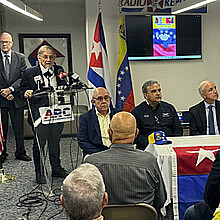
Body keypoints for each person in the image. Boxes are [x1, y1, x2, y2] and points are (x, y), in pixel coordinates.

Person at [85, 111, 167, 214]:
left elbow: (85, 203)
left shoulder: (91, 163)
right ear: (136, 133)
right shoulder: (149, 161)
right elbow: (161, 201)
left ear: (109, 133)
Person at [20, 45, 67, 184]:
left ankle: (56, 169)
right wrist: (26, 93)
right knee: (39, 144)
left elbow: (64, 84)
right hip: (39, 114)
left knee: (55, 141)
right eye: (45, 57)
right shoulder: (30, 72)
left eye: (51, 57)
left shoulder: (59, 70)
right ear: (39, 58)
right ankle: (39, 172)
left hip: (57, 112)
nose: (48, 59)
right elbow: (22, 90)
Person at [0, 32, 31, 162]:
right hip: (1, 99)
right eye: (2, 42)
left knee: (18, 128)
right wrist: (3, 92)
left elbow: (23, 77)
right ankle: (2, 153)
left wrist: (11, 90)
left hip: (16, 98)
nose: (5, 44)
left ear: (12, 43)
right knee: (3, 129)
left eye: (7, 42)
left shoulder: (20, 57)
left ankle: (20, 152)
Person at [131, 80, 182, 150]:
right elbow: (135, 134)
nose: (158, 93)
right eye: (153, 91)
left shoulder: (169, 108)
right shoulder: (137, 111)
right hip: (147, 147)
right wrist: (149, 144)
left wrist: (173, 142)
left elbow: (178, 129)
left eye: (159, 90)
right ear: (146, 95)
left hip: (169, 146)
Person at [77, 87, 118, 157]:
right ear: (93, 102)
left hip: (116, 151)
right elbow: (82, 141)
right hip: (95, 152)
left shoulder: (118, 115)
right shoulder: (85, 118)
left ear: (110, 100)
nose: (104, 101)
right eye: (99, 98)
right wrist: (102, 153)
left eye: (106, 98)